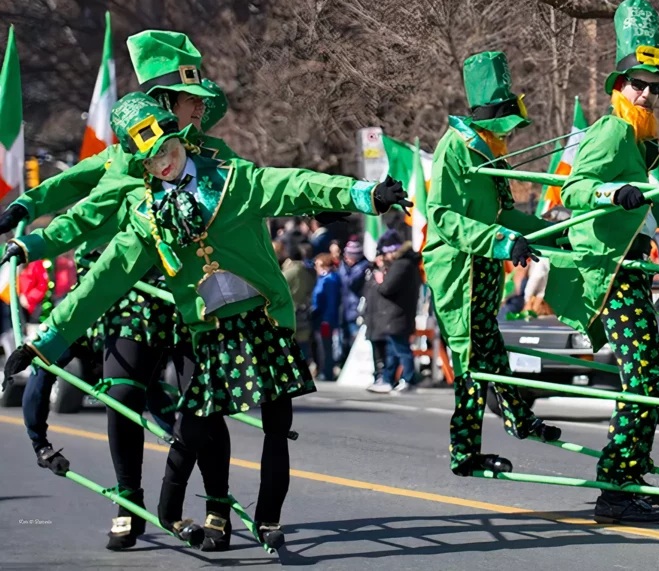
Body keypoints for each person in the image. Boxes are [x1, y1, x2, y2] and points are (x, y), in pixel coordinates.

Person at [1, 92, 410, 550]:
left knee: (277, 424)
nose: (162, 165)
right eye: (150, 161)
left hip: (263, 319)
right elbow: (101, 279)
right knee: (190, 422)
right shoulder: (146, 214)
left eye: (167, 152)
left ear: (182, 141)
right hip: (209, 328)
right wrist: (48, 341)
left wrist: (363, 193)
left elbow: (294, 183)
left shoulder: (233, 177)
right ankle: (160, 510)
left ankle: (262, 519)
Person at [0, 30, 239, 551]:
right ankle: (128, 501)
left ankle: (218, 506)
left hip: (199, 295)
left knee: (206, 403)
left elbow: (260, 195)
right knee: (123, 396)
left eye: (201, 101)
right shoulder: (120, 162)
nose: (198, 109)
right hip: (133, 297)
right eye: (188, 100)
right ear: (162, 105)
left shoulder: (217, 157)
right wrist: (26, 222)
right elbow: (77, 203)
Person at [546, 0, 659, 525]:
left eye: (654, 85)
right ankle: (615, 491)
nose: (647, 93)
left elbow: (649, 199)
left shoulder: (642, 135)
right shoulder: (612, 130)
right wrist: (615, 193)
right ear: (619, 85)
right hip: (608, 271)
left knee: (647, 374)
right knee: (641, 376)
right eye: (637, 83)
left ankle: (631, 477)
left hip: (630, 267)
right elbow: (573, 187)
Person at [422, 50, 562, 480]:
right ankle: (465, 451)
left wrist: (551, 232)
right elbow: (442, 216)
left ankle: (518, 417)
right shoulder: (455, 148)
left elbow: (504, 214)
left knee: (490, 350)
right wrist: (502, 242)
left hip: (484, 267)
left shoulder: (492, 150)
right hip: (458, 271)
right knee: (469, 361)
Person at [365, 230, 422, 393]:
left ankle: (408, 379)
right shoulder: (409, 264)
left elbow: (387, 288)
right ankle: (388, 380)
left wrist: (380, 280)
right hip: (400, 314)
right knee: (394, 350)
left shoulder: (401, 265)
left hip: (396, 315)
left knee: (401, 349)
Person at [282, 244, 317, 368]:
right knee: (303, 342)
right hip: (304, 310)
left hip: (288, 311)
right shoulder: (308, 273)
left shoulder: (289, 273)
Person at [338, 237, 369, 372]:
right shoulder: (347, 267)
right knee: (343, 342)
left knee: (355, 341)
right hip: (344, 310)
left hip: (355, 310)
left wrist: (344, 266)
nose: (346, 259)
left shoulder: (362, 267)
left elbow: (349, 282)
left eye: (349, 256)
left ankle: (353, 370)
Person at [311, 253, 342, 381]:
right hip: (320, 316)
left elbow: (331, 301)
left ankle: (327, 371)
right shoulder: (324, 279)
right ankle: (324, 370)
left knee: (325, 346)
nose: (315, 268)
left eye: (317, 265)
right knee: (322, 345)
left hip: (325, 318)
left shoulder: (329, 280)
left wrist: (327, 320)